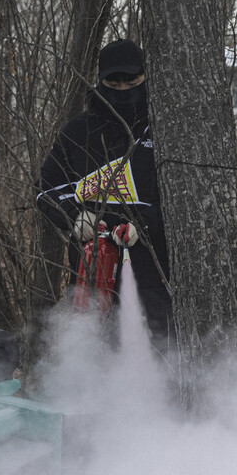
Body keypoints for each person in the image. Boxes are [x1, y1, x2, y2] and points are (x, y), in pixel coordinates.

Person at [36, 39, 173, 349]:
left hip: (154, 267)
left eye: (131, 80)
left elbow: (186, 196)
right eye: (114, 81)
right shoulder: (77, 132)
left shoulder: (163, 130)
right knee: (95, 348)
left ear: (144, 77)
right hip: (92, 266)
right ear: (100, 81)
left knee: (161, 347)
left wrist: (147, 222)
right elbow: (46, 188)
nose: (122, 88)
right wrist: (73, 214)